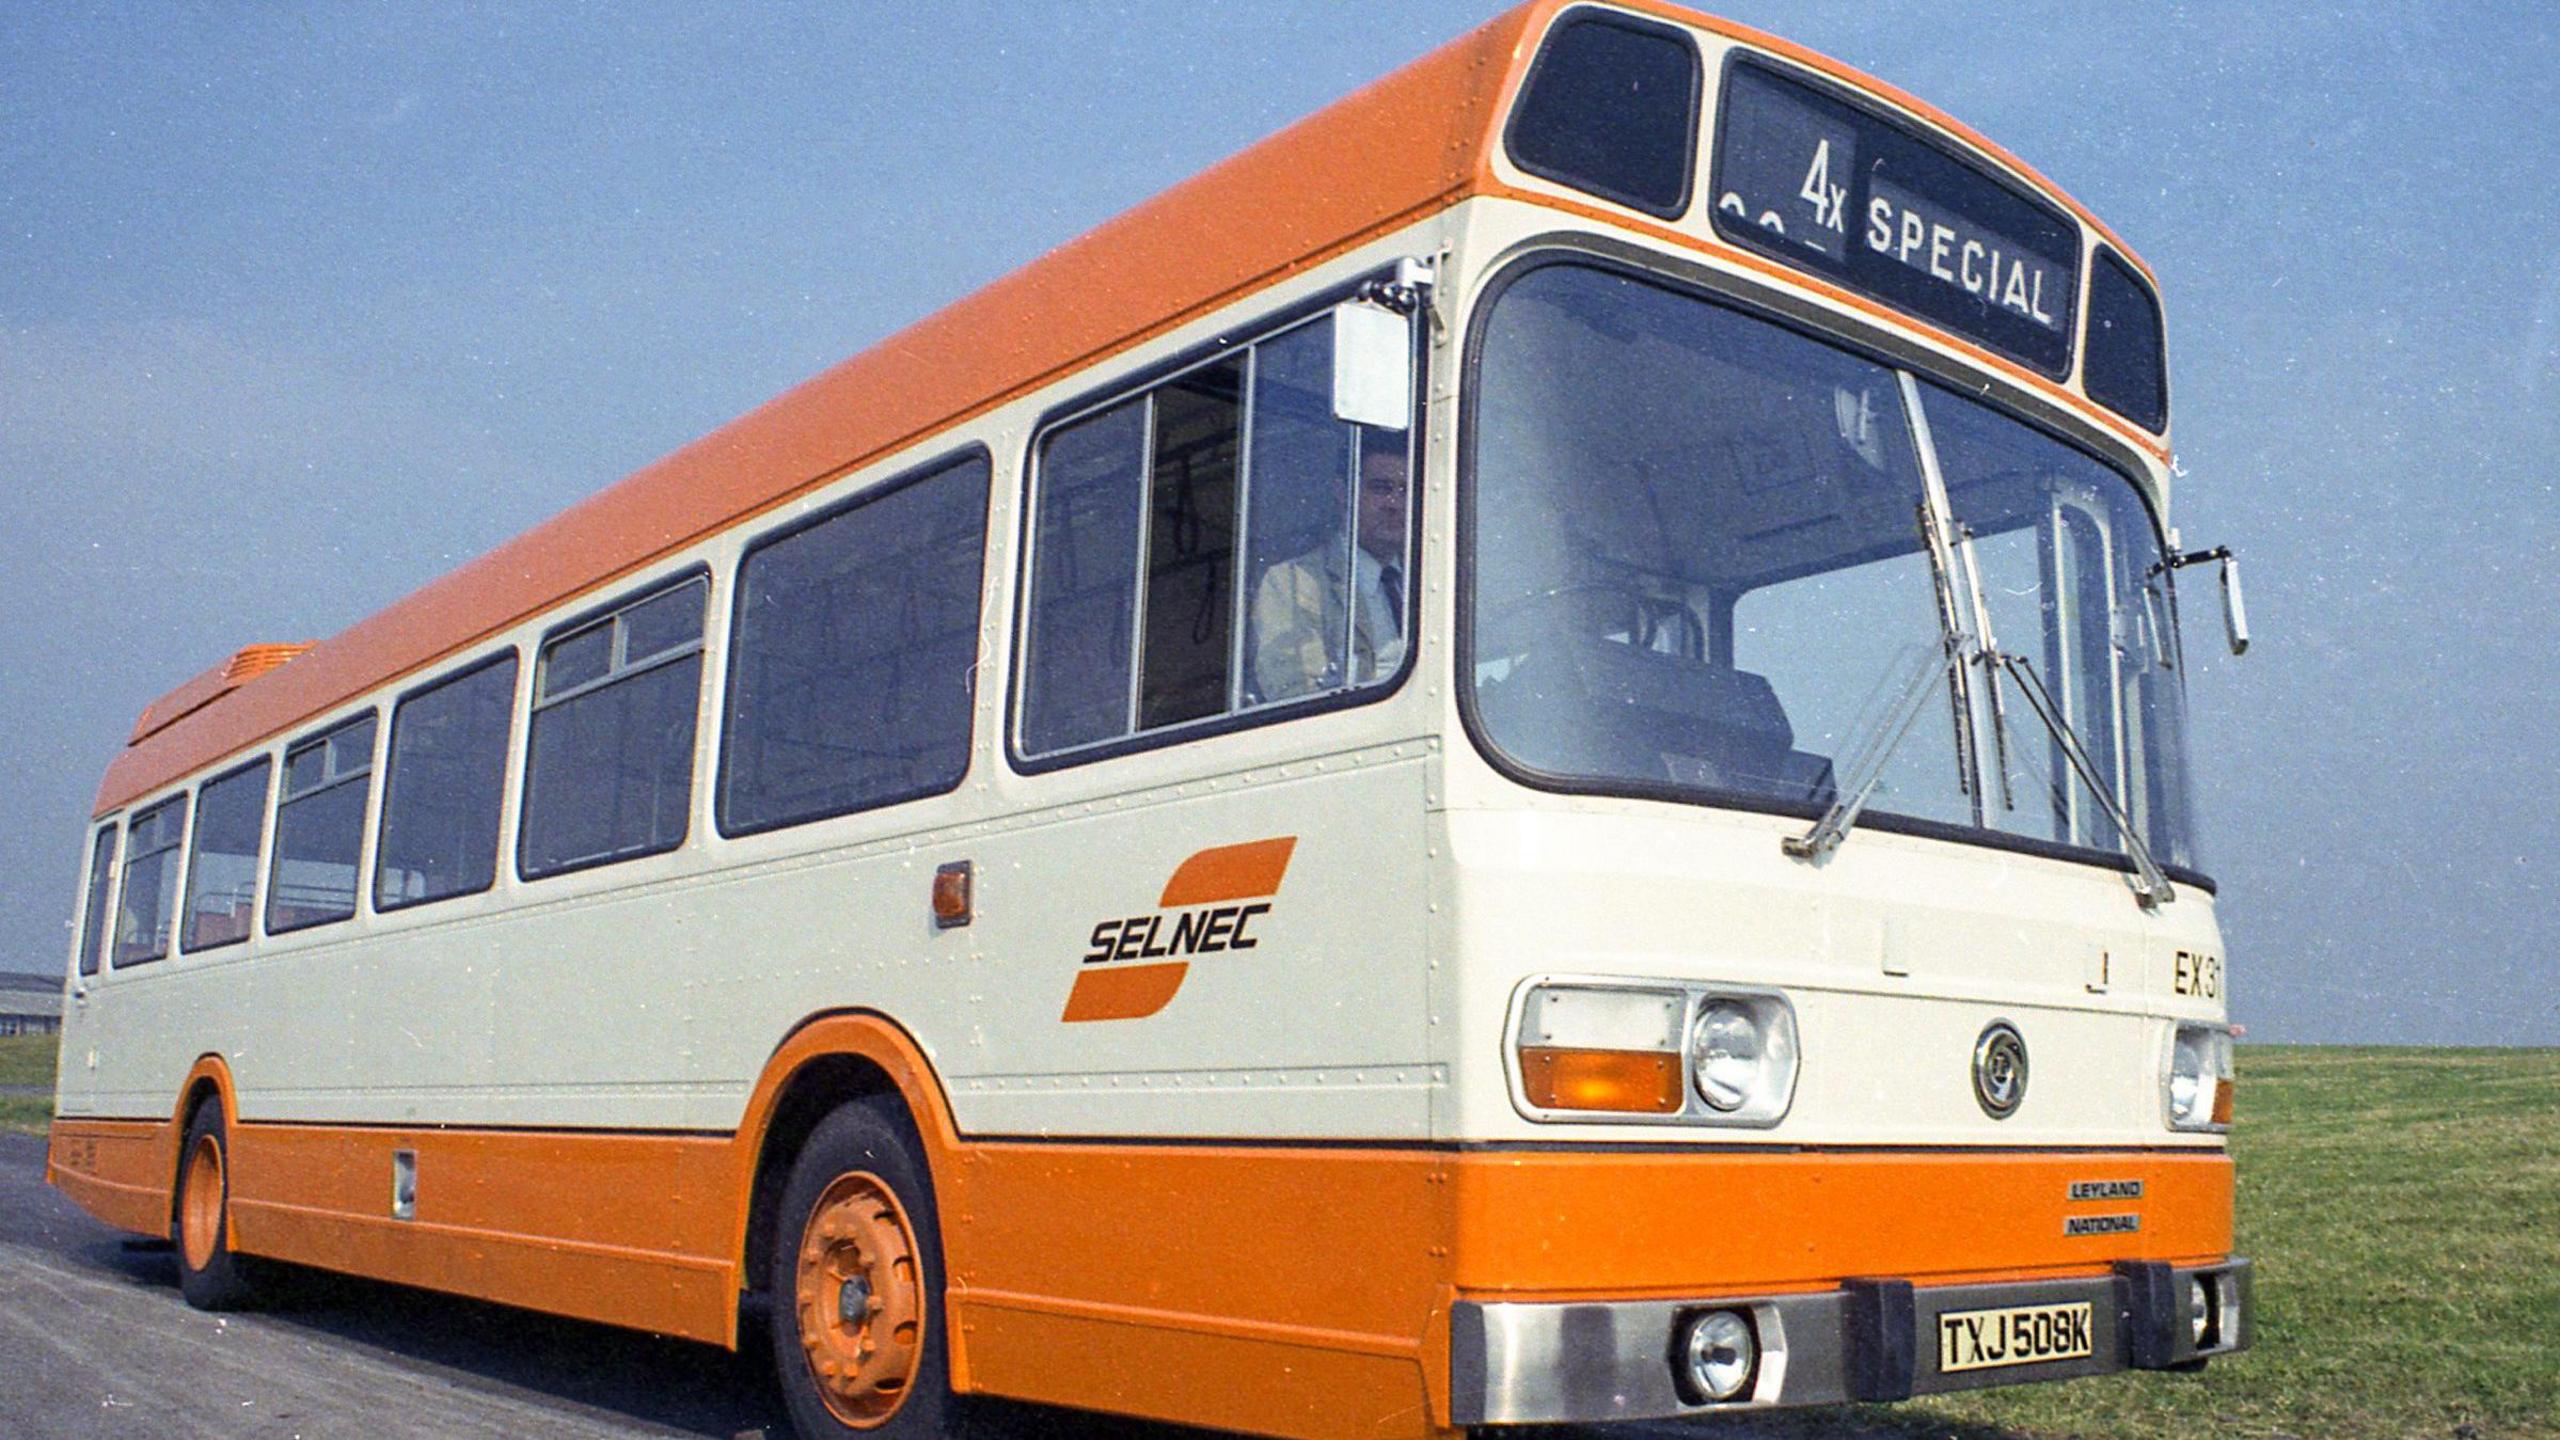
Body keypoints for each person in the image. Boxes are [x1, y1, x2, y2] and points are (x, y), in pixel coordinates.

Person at [1251, 440, 1409, 702]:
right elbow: (1295, 693)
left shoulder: (1430, 582)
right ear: (1343, 492)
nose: (1395, 504)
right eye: (1381, 488)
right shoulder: (1293, 582)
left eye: (1405, 491)